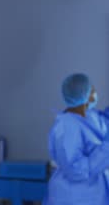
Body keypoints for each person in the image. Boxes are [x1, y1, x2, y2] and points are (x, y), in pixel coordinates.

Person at [45, 73, 109, 204]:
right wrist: (106, 149)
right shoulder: (66, 126)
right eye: (92, 89)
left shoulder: (88, 116)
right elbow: (76, 169)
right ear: (85, 94)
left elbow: (102, 123)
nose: (95, 93)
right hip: (75, 197)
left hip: (93, 194)